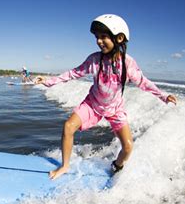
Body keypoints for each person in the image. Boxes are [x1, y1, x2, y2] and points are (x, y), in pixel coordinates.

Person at [35, 14, 177, 179]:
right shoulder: (95, 59)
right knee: (68, 127)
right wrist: (49, 81)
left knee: (128, 147)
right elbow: (74, 73)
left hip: (115, 109)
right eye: (97, 37)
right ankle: (65, 166)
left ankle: (116, 167)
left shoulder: (127, 63)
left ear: (119, 38)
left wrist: (163, 96)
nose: (99, 41)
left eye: (103, 37)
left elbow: (143, 82)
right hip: (93, 104)